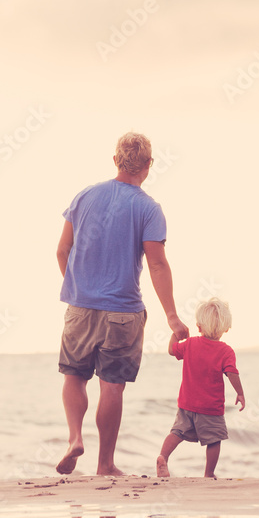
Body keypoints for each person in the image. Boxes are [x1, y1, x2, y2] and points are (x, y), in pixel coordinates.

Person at [56, 132, 189, 476]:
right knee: (111, 386)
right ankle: (105, 465)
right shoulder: (148, 208)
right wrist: (172, 318)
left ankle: (74, 438)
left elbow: (62, 250)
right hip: (123, 312)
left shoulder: (84, 196)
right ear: (148, 165)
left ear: (115, 160)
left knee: (74, 375)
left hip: (80, 307)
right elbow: (157, 264)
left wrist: (77, 286)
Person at [156, 298, 245, 479]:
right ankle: (209, 473)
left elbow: (172, 351)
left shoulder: (190, 344)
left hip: (186, 405)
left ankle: (163, 457)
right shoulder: (226, 351)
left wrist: (176, 333)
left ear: (198, 327)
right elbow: (232, 373)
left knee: (177, 432)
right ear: (226, 328)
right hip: (211, 408)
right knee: (214, 440)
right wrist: (240, 393)